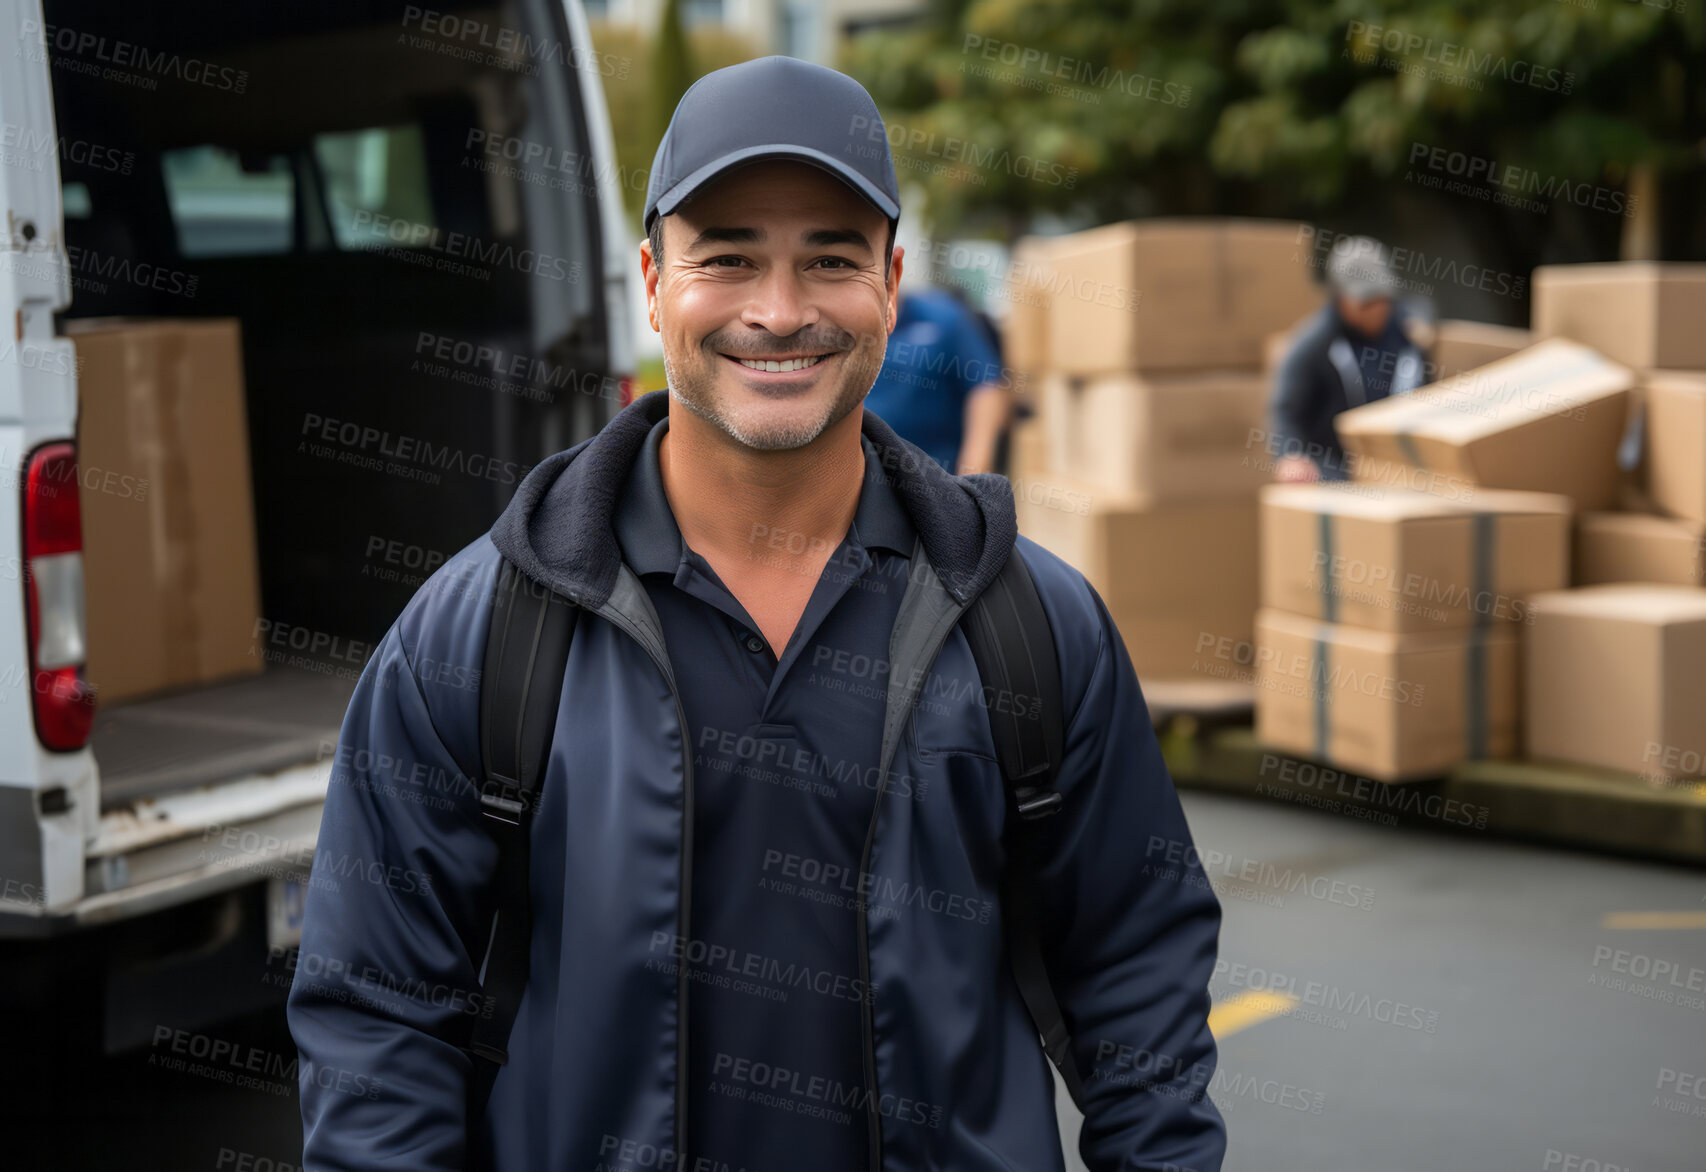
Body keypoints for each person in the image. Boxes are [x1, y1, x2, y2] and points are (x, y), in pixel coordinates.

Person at [288, 55, 1226, 1172]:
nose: (778, 313)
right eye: (725, 256)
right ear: (649, 281)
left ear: (888, 280)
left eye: (827, 258)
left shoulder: (1030, 623)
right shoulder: (478, 636)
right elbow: (378, 1016)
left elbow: (1137, 974)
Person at [1269, 236, 1431, 482]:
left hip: (1402, 466)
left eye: (1381, 299)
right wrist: (1291, 455)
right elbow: (1286, 411)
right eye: (1365, 302)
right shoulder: (1313, 345)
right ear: (1340, 298)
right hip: (1338, 468)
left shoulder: (1411, 335)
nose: (1376, 310)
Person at [863, 283, 1013, 474]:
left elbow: (986, 388)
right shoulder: (850, 327)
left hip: (936, 475)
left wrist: (973, 474)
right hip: (868, 475)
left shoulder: (944, 317)